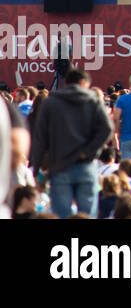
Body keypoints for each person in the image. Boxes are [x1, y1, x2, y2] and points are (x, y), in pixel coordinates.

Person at [28, 68, 113, 218]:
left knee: (61, 215)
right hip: (85, 165)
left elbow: (40, 138)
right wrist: (90, 151)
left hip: (59, 166)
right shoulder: (92, 100)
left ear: (66, 83)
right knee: (87, 215)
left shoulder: (51, 102)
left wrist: (36, 169)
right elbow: (107, 128)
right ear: (83, 83)